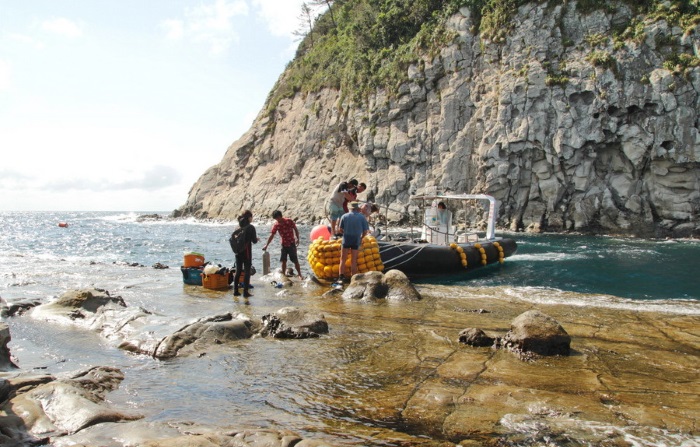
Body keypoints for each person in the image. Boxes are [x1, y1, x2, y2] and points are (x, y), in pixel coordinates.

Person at [262, 210, 303, 279]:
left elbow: (295, 229)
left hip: (291, 243)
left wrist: (297, 238)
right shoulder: (276, 225)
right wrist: (266, 245)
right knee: (283, 260)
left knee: (295, 260)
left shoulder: (289, 221)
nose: (278, 220)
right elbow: (272, 235)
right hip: (283, 244)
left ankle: (300, 274)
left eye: (278, 218)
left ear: (281, 216)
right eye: (276, 219)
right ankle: (284, 275)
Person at [337, 201, 370, 281]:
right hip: (356, 240)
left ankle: (341, 277)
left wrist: (344, 232)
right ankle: (353, 278)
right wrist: (361, 238)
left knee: (343, 259)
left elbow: (340, 229)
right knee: (354, 260)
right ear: (357, 209)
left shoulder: (344, 216)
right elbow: (365, 231)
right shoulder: (362, 217)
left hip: (346, 239)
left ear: (350, 208)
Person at [233, 210, 258, 298]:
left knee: (238, 271)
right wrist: (257, 239)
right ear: (249, 217)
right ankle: (245, 292)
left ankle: (235, 291)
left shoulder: (237, 227)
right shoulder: (251, 227)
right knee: (247, 272)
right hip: (246, 252)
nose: (252, 218)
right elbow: (254, 241)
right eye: (252, 217)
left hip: (237, 252)